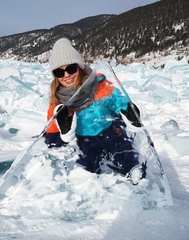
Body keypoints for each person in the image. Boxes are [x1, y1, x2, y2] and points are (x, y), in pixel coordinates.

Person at [44, 38, 146, 184]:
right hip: (85, 142)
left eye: (71, 68)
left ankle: (137, 188)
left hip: (112, 134)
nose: (66, 75)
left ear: (79, 67)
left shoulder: (98, 84)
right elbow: (52, 132)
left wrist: (127, 110)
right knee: (85, 177)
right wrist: (60, 136)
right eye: (59, 72)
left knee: (131, 166)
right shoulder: (57, 100)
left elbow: (117, 100)